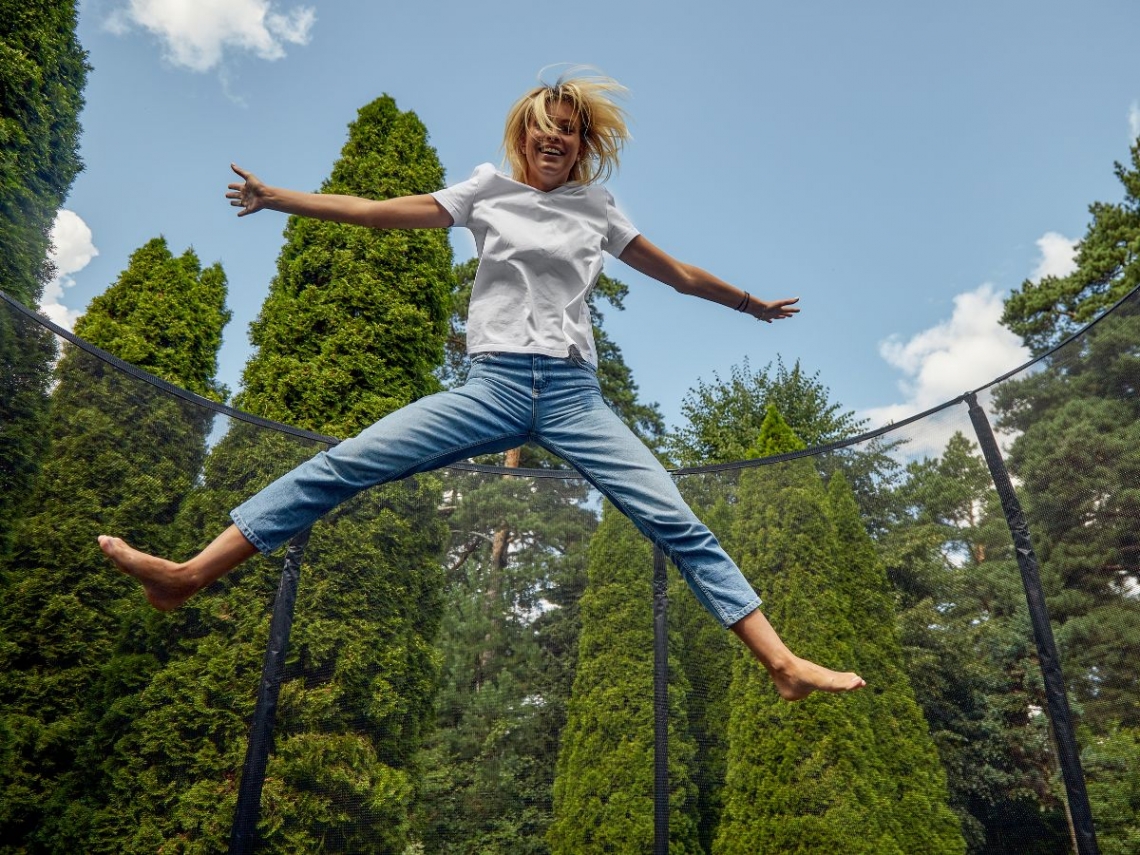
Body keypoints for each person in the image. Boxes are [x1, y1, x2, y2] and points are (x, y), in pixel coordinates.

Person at [99, 71, 864, 701]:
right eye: (544, 126)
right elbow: (375, 214)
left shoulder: (596, 208)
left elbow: (677, 273)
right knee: (345, 463)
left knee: (674, 518)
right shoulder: (485, 191)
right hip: (489, 384)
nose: (555, 137)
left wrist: (748, 303)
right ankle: (188, 574)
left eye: (569, 129)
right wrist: (279, 198)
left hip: (573, 395)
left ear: (583, 145)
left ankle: (781, 662)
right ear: (525, 136)